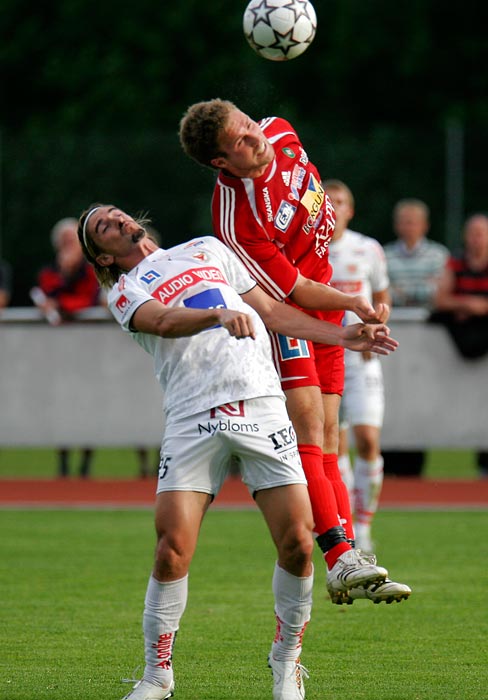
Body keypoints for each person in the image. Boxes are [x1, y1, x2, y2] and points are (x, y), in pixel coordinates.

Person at [78, 203, 400, 700]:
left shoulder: (206, 248)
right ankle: (156, 676)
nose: (118, 221)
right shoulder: (124, 290)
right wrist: (217, 313)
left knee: (297, 541)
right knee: (171, 550)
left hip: (262, 406)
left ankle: (286, 666)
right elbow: (162, 321)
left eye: (117, 214)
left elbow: (270, 311)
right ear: (102, 256)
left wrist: (343, 335)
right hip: (192, 415)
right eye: (104, 226)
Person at [179, 98, 410, 605]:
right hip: (291, 315)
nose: (252, 138)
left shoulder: (280, 131)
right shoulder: (236, 215)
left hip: (327, 302)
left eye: (247, 125)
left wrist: (347, 307)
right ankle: (339, 555)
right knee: (307, 424)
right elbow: (292, 292)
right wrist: (352, 304)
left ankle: (350, 553)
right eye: (237, 142)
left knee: (331, 434)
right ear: (220, 163)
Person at [326, 179, 393, 555]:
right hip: (324, 354)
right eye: (328, 201)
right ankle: (347, 525)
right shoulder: (306, 250)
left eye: (341, 202)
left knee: (368, 440)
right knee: (334, 444)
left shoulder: (368, 249)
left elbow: (382, 295)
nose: (334, 208)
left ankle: (364, 526)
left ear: (350, 209)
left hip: (360, 357)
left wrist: (380, 323)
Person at [383, 198, 450, 477]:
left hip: (425, 346)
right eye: (404, 221)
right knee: (390, 399)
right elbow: (383, 292)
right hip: (391, 342)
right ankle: (388, 462)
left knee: (420, 401)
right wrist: (420, 290)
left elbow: (438, 293)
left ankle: (414, 467)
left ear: (424, 225)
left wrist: (401, 291)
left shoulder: (439, 256)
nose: (409, 226)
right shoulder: (383, 255)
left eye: (413, 221)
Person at [31, 217, 102, 478]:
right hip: (59, 353)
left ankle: (85, 464)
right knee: (61, 403)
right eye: (63, 242)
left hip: (88, 351)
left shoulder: (93, 269)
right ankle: (62, 463)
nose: (67, 246)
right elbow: (47, 293)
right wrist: (62, 278)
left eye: (71, 240)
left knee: (88, 405)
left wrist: (59, 306)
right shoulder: (50, 270)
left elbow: (87, 300)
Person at [431, 212, 488, 478]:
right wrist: (468, 305)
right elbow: (440, 300)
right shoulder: (456, 261)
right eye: (472, 233)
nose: (476, 239)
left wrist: (477, 307)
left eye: (481, 233)